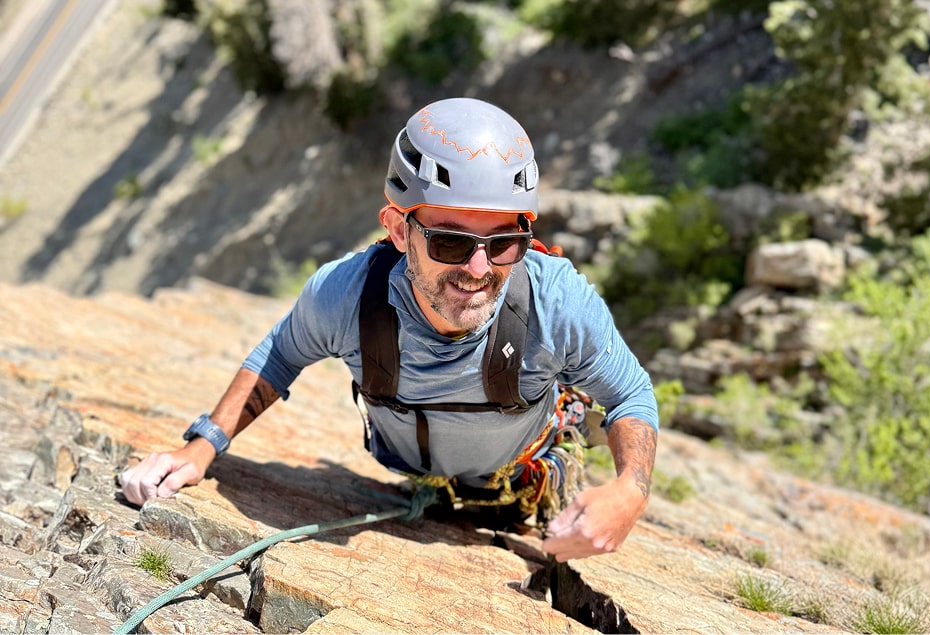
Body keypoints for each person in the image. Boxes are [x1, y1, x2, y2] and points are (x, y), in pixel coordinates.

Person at [120, 97, 659, 562]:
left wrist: (629, 490)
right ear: (399, 229)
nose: (478, 269)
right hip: (413, 476)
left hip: (523, 482)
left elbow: (630, 392)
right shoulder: (347, 295)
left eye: (503, 244)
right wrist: (201, 448)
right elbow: (280, 354)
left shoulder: (555, 300)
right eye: (449, 242)